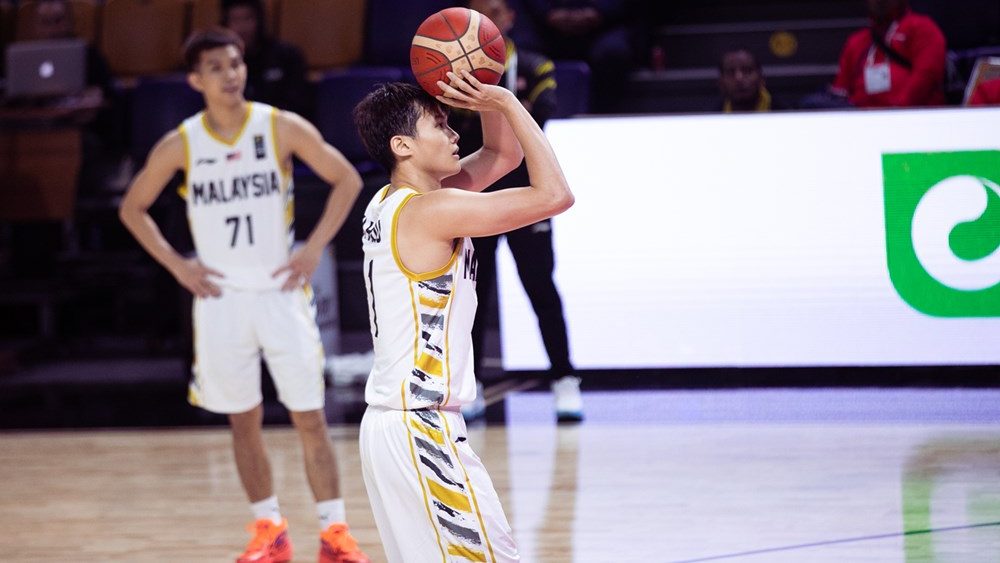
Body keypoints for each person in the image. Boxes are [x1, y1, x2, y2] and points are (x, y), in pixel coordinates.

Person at [118, 29, 368, 563]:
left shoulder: (279, 126)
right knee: (243, 419)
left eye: (235, 63)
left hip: (279, 293)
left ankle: (335, 534)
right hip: (221, 300)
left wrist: (313, 248)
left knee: (311, 417)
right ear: (195, 80)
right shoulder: (182, 142)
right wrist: (178, 265)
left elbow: (346, 179)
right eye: (216, 67)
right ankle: (269, 531)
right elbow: (131, 207)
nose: (230, 74)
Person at [352, 68, 573, 560]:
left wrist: (486, 90)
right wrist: (508, 102)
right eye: (439, 125)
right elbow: (555, 195)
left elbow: (502, 155)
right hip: (420, 428)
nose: (454, 134)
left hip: (396, 427)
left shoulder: (389, 202)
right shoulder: (433, 211)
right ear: (402, 145)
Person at [451, 0, 582, 423]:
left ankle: (564, 379)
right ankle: (472, 384)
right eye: (477, 13)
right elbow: (455, 125)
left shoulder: (535, 64)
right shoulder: (453, 69)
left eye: (494, 11)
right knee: (473, 291)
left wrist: (495, 104)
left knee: (541, 286)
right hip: (479, 189)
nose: (486, 20)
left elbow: (539, 116)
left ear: (509, 17)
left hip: (528, 190)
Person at [515, 0, 638, 112]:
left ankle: (606, 113)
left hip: (603, 27)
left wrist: (600, 11)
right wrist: (546, 12)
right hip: (544, 26)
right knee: (523, 48)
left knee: (613, 51)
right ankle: (527, 109)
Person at [828, 0, 946, 108]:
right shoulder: (857, 41)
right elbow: (840, 90)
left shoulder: (921, 28)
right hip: (861, 117)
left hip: (912, 116)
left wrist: (898, 110)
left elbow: (927, 74)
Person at [221, 0, 311, 118]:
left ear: (260, 20)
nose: (242, 27)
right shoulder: (222, 64)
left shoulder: (288, 56)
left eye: (248, 18)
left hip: (281, 124)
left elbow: (299, 105)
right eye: (235, 20)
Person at [715, 49, 791, 112]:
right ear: (720, 82)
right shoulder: (711, 116)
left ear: (761, 79)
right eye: (730, 72)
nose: (739, 78)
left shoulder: (788, 114)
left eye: (747, 71)